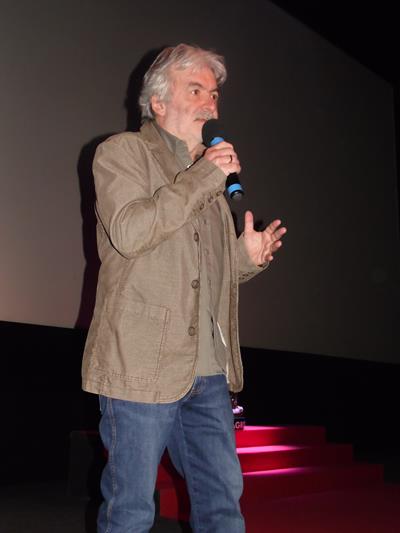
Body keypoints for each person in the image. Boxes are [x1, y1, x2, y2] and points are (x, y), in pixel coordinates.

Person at [82, 43, 286, 533]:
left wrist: (245, 259)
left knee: (223, 508)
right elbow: (131, 233)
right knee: (131, 511)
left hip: (208, 372)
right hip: (140, 366)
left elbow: (203, 277)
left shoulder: (208, 184)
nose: (210, 104)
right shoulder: (122, 153)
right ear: (157, 102)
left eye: (213, 95)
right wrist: (205, 177)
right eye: (195, 90)